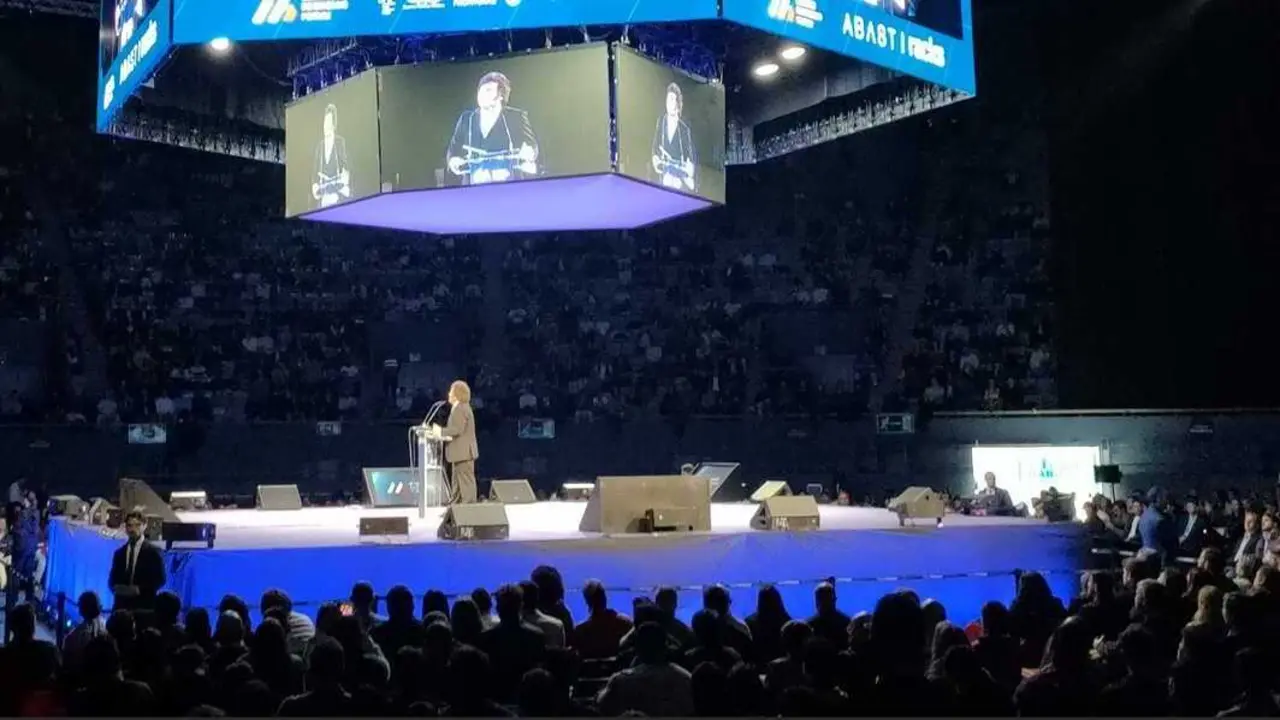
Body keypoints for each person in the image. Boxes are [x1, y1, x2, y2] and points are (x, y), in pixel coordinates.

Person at [445, 71, 539, 186]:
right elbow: (454, 148)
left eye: (488, 90)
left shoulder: (516, 117)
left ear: (500, 95)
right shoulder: (467, 118)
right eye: (481, 90)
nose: (482, 94)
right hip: (474, 187)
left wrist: (529, 152)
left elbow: (531, 145)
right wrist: (453, 160)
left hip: (509, 186)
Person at [108, 511, 166, 611]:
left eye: (137, 525)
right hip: (121, 608)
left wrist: (139, 590)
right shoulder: (119, 553)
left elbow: (160, 579)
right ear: (125, 528)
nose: (133, 529)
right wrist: (117, 589)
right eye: (129, 525)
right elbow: (112, 580)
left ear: (144, 526)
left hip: (144, 608)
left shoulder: (154, 552)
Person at [432, 380, 479, 505]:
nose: (448, 394)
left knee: (465, 481)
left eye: (451, 391)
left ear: (456, 394)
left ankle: (468, 508)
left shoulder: (460, 408)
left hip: (463, 452)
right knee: (457, 482)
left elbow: (457, 429)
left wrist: (440, 431)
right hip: (461, 452)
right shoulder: (462, 407)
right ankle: (455, 505)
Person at [650, 82, 697, 192]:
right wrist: (656, 160)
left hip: (678, 181)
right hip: (663, 176)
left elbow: (690, 159)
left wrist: (686, 170)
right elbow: (655, 148)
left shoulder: (684, 130)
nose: (669, 103)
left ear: (677, 104)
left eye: (672, 99)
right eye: (668, 99)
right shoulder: (661, 122)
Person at [311, 104, 351, 208]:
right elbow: (314, 175)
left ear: (334, 125)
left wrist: (344, 176)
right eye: (325, 122)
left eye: (328, 122)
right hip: (324, 197)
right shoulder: (319, 147)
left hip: (338, 197)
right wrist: (315, 187)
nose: (326, 126)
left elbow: (346, 167)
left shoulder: (340, 142)